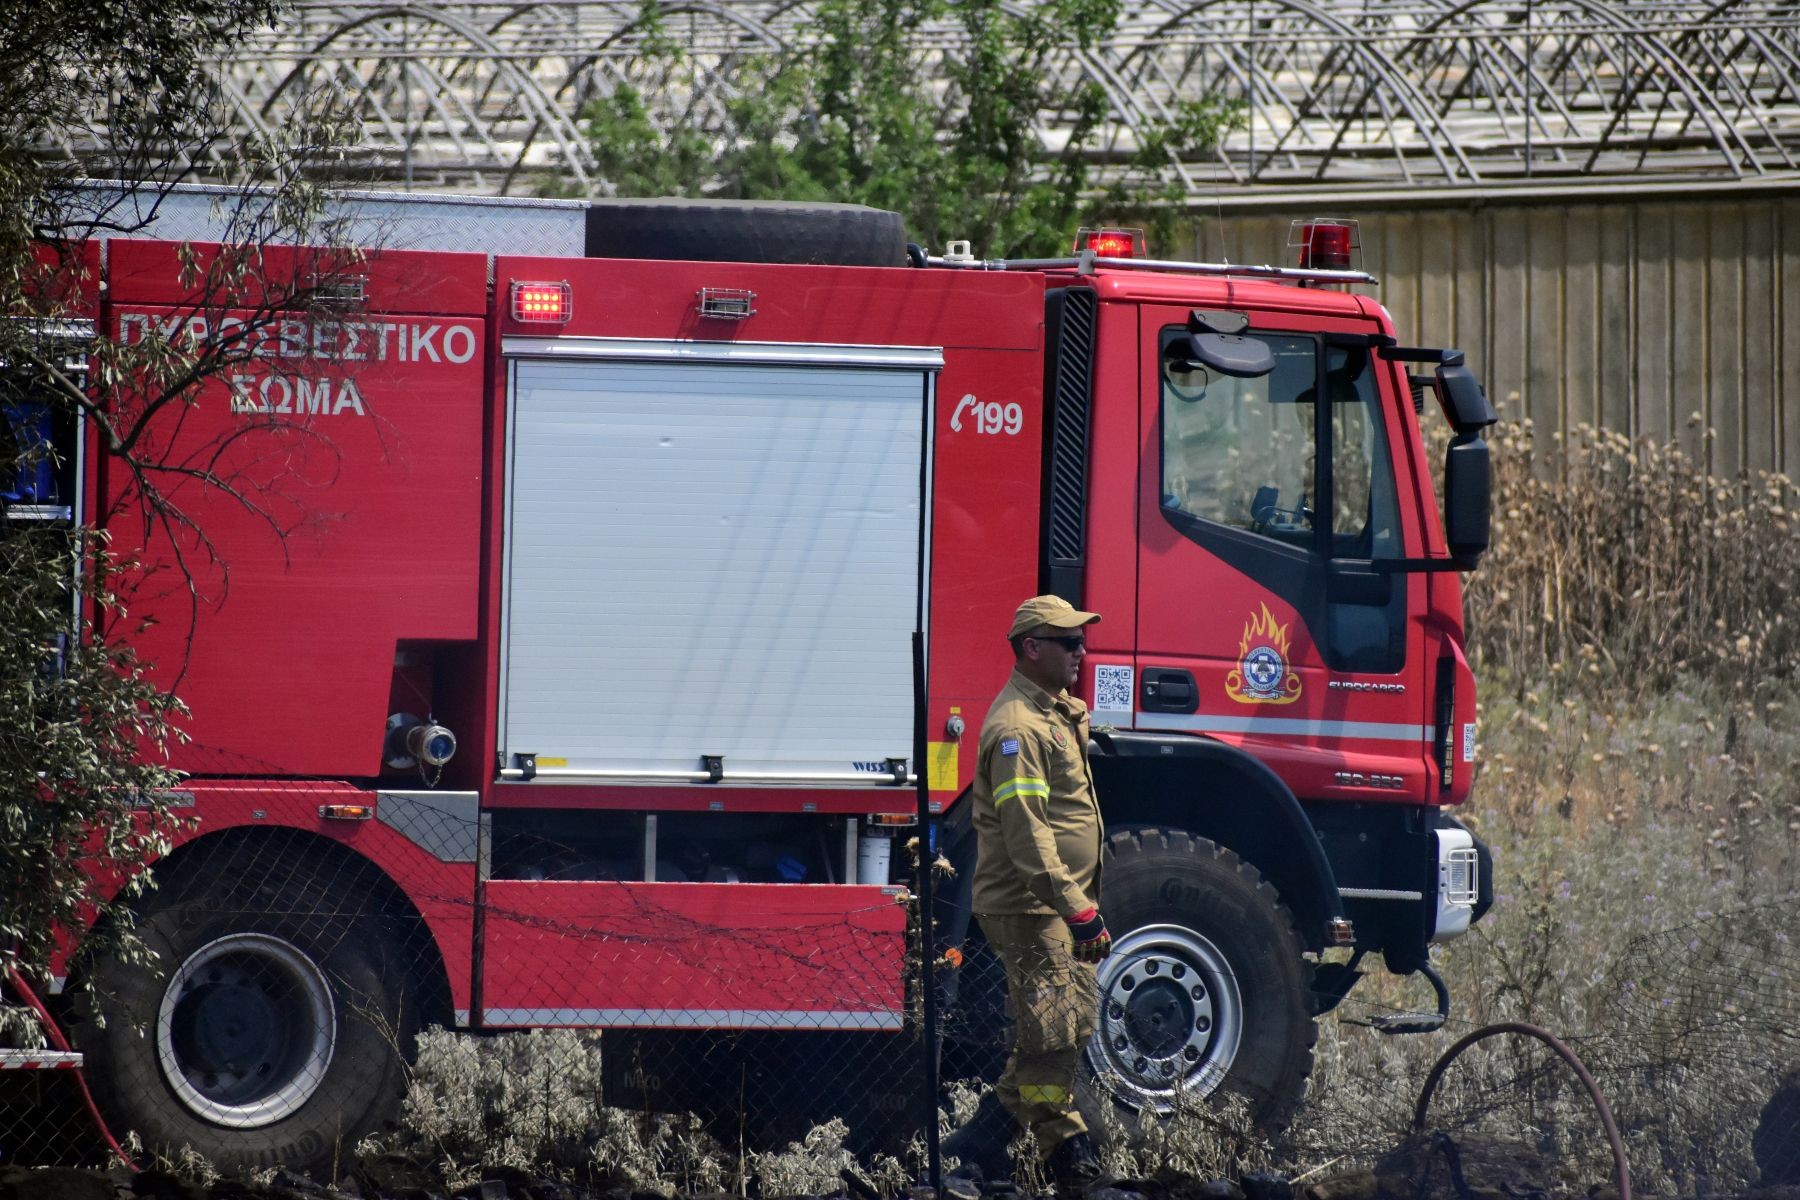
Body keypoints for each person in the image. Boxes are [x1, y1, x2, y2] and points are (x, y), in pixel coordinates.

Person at [969, 594, 1110, 1195]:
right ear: (1032, 647)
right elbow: (1028, 836)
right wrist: (1077, 909)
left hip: (1056, 904)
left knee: (1068, 1027)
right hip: (1032, 906)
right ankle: (1064, 1152)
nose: (1082, 651)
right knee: (1051, 1033)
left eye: (1082, 640)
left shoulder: (1051, 714)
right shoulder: (1017, 730)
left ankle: (981, 1144)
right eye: (1069, 642)